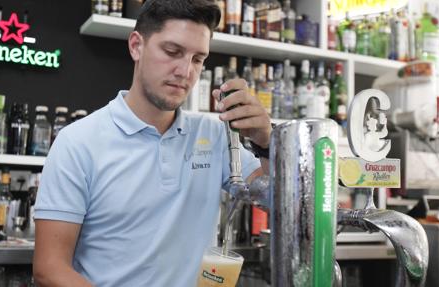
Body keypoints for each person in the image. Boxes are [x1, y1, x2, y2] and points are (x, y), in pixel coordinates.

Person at [33, 0, 271, 286]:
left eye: (198, 59)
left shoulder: (215, 135)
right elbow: (49, 268)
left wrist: (266, 142)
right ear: (136, 46)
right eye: (173, 52)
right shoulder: (78, 142)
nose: (185, 72)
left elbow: (273, 201)